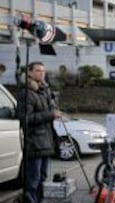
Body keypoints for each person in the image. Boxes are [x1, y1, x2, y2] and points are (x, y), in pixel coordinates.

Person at [17, 61, 62, 203]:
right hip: (34, 143)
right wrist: (50, 114)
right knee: (33, 180)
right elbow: (25, 118)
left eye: (43, 71)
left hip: (46, 142)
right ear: (29, 72)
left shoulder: (44, 91)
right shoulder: (27, 93)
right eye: (37, 70)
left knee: (42, 177)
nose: (41, 73)